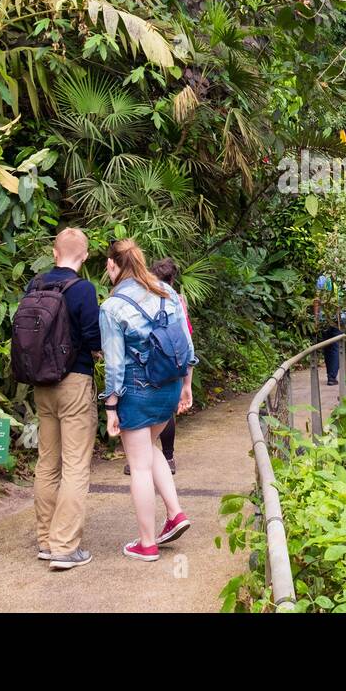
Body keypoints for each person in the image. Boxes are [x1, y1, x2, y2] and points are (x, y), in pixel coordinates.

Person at [99, 238, 196, 561]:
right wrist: (186, 385)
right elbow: (185, 343)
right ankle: (176, 513)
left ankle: (147, 543)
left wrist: (110, 406)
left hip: (137, 390)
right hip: (168, 385)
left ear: (113, 265)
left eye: (107, 266)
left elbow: (113, 364)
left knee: (138, 466)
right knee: (150, 449)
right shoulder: (166, 291)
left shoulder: (112, 306)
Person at [30, 228, 101, 571]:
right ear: (85, 256)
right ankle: (64, 547)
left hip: (41, 383)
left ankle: (45, 541)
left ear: (54, 253)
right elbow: (93, 337)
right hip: (74, 382)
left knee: (47, 462)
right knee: (75, 465)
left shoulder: (36, 285)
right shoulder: (84, 290)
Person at [123, 256, 192, 476]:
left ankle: (142, 457)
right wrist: (187, 381)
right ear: (173, 278)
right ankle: (166, 457)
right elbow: (185, 335)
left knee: (147, 412)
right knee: (165, 412)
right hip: (174, 356)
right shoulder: (175, 298)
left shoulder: (140, 294)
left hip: (147, 359)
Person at [313, 272, 346, 386]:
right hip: (339, 319)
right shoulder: (344, 278)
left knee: (328, 348)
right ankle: (331, 377)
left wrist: (316, 318)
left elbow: (317, 301)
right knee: (335, 347)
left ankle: (330, 375)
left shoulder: (322, 279)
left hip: (325, 318)